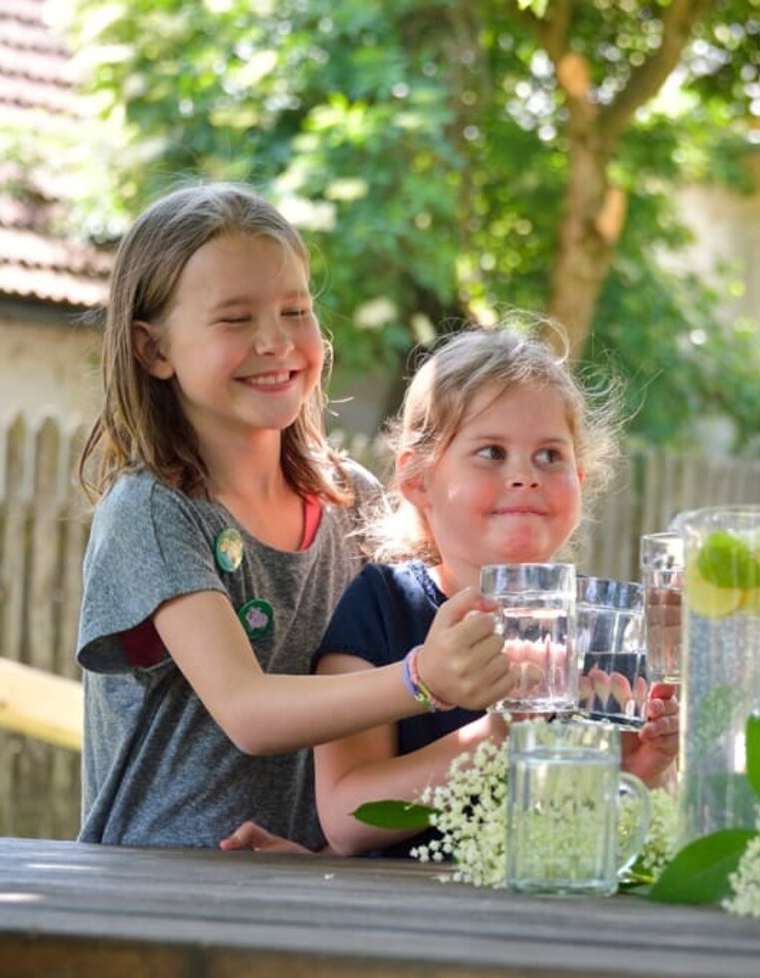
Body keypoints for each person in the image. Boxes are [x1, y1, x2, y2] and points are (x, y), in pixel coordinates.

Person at [76, 183, 513, 849]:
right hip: (154, 887)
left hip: (301, 887)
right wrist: (422, 678)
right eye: (235, 319)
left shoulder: (356, 502)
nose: (276, 342)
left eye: (295, 310)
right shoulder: (153, 513)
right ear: (152, 349)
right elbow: (248, 711)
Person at [225, 324, 679, 856]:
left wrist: (642, 770)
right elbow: (347, 819)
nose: (526, 475)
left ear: (579, 478)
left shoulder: (603, 628)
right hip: (407, 927)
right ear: (418, 481)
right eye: (491, 452)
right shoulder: (383, 606)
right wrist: (494, 741)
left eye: (550, 456)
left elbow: (611, 837)